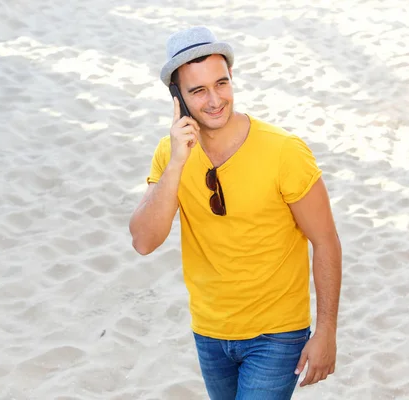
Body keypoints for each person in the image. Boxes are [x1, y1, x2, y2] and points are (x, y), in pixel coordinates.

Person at [129, 26, 342, 400]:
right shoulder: (170, 153)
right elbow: (144, 241)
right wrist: (178, 161)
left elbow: (325, 242)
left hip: (276, 334)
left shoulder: (284, 152)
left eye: (221, 84)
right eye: (198, 90)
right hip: (209, 332)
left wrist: (326, 330)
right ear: (177, 97)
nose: (214, 100)